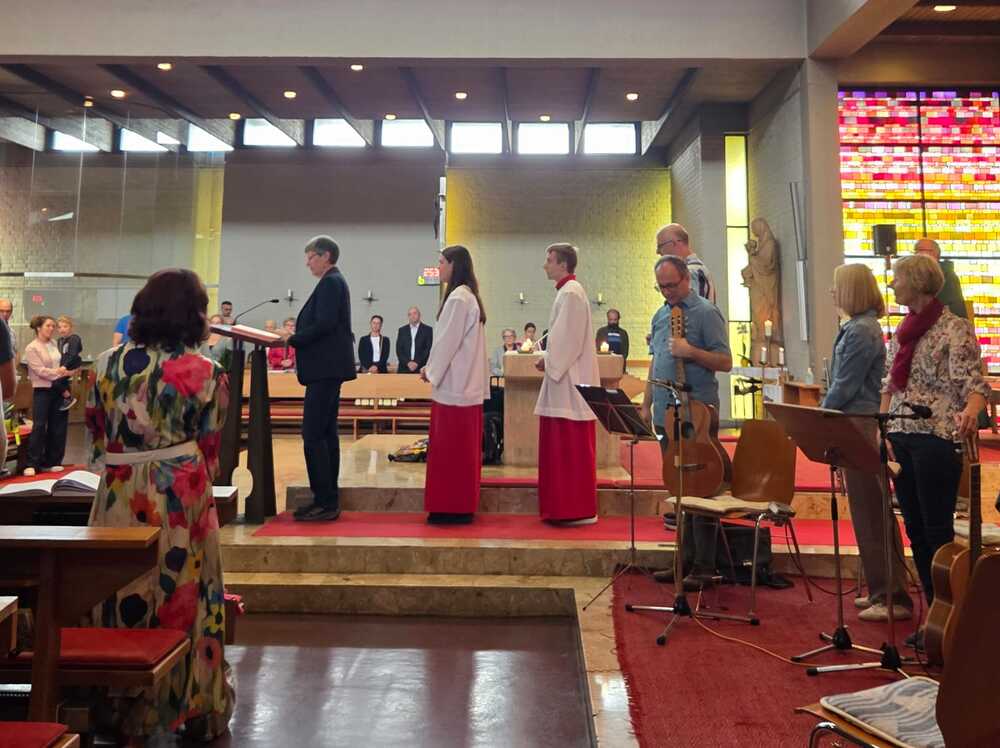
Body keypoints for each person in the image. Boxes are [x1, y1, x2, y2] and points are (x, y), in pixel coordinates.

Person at [85, 268, 233, 742]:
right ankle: (190, 707)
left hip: (119, 491)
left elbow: (96, 434)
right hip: (179, 495)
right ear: (194, 315)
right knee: (185, 592)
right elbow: (211, 448)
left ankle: (116, 703)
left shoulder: (104, 365)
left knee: (118, 587)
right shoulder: (207, 372)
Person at [881, 253, 989, 649]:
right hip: (901, 435)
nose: (892, 285)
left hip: (936, 437)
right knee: (914, 530)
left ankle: (955, 618)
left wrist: (972, 412)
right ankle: (934, 615)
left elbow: (973, 384)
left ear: (917, 282)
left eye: (897, 279)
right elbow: (889, 384)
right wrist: (882, 427)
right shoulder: (903, 329)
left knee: (936, 530)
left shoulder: (953, 328)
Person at [822, 264, 912, 623]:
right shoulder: (858, 327)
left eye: (836, 286)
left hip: (859, 423)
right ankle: (880, 589)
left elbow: (845, 384)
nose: (832, 292)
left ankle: (891, 595)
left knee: (872, 513)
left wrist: (820, 415)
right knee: (866, 512)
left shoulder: (862, 330)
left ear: (852, 290)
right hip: (854, 422)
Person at [643, 256, 732, 590]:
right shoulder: (660, 315)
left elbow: (725, 361)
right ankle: (684, 559)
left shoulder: (706, 313)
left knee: (700, 484)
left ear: (686, 279)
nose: (667, 292)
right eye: (661, 287)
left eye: (671, 285)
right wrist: (646, 403)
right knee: (678, 487)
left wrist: (691, 351)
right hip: (665, 412)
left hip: (697, 411)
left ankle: (704, 565)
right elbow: (656, 362)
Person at [286, 236, 357, 522]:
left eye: (311, 257)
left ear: (325, 256)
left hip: (325, 369)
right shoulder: (333, 282)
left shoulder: (331, 283)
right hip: (327, 370)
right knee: (325, 434)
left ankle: (325, 500)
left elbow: (325, 323)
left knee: (314, 434)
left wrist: (291, 338)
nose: (307, 263)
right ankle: (327, 499)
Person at [420, 245, 489, 524]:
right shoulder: (468, 296)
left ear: (453, 265)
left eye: (441, 262)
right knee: (461, 453)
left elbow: (447, 341)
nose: (438, 267)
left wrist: (430, 370)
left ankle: (450, 507)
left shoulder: (459, 298)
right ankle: (459, 505)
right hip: (464, 385)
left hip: (454, 387)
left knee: (449, 453)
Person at [534, 243, 600, 524]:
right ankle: (560, 508)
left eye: (549, 260)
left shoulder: (572, 293)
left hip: (570, 383)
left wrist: (548, 360)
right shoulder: (567, 291)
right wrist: (550, 358)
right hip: (563, 378)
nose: (545, 265)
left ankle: (574, 509)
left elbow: (568, 340)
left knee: (569, 451)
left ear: (563, 264)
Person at [23, 316, 72, 477]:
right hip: (42, 390)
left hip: (58, 388)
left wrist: (65, 371)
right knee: (39, 425)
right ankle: (32, 463)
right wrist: (59, 373)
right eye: (48, 326)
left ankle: (52, 461)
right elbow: (40, 370)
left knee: (58, 426)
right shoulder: (32, 347)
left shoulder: (54, 344)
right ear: (39, 328)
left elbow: (61, 363)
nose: (52, 329)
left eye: (53, 326)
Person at [655, 223, 716, 304]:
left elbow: (691, 309)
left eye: (660, 246)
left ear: (673, 243)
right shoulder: (697, 269)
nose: (657, 252)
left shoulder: (691, 272)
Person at [913, 237, 967, 319]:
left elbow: (941, 307)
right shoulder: (921, 274)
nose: (915, 255)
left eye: (919, 250)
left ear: (934, 253)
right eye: (915, 251)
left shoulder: (945, 275)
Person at [55, 315, 83, 411]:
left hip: (71, 365)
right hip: (62, 366)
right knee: (57, 381)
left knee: (56, 381)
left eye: (65, 326)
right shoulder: (59, 340)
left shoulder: (74, 338)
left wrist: (65, 366)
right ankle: (65, 400)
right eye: (59, 327)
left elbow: (73, 354)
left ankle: (69, 397)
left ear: (71, 327)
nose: (62, 329)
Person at [396, 306, 433, 374]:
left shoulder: (428, 330)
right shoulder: (402, 330)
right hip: (404, 368)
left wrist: (417, 362)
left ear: (419, 315)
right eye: (410, 314)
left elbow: (428, 349)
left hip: (421, 368)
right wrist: (408, 363)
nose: (412, 316)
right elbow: (399, 350)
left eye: (415, 313)